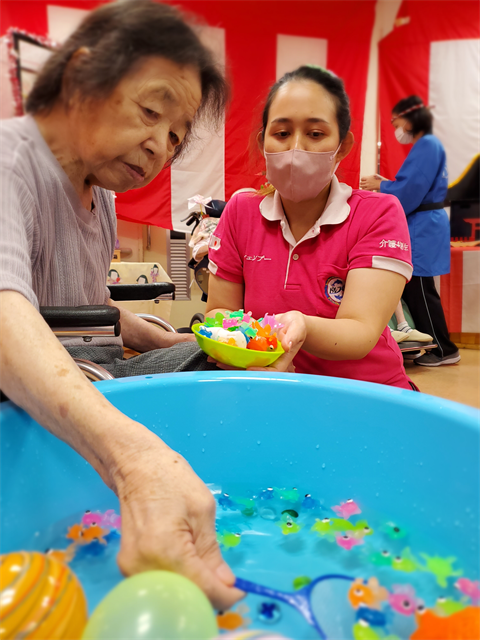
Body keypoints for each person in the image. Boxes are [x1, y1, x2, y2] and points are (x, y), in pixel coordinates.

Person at [0, 0, 241, 609]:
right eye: (151, 112)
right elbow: (8, 313)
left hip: (103, 372)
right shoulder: (9, 160)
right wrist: (133, 461)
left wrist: (165, 339)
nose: (160, 146)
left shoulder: (99, 195)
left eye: (176, 137)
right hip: (32, 402)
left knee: (229, 364)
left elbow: (85, 305)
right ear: (82, 75)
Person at [205, 65, 417, 390]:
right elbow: (220, 312)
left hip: (365, 394)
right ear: (263, 142)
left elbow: (360, 331)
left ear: (342, 146)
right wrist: (246, 354)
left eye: (315, 134)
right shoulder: (241, 212)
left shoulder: (378, 214)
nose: (296, 148)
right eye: (282, 134)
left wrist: (300, 327)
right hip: (269, 389)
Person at [360, 96, 460, 366]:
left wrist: (380, 187)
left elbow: (410, 191)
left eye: (395, 122)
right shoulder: (430, 145)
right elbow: (411, 184)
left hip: (422, 225)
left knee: (420, 290)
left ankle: (442, 349)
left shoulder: (426, 145)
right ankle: (430, 344)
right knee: (420, 289)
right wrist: (387, 183)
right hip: (426, 221)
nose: (396, 128)